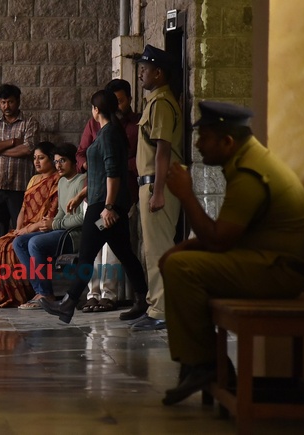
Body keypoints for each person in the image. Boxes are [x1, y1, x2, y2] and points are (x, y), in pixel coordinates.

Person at [159, 101, 304, 405]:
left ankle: (204, 364)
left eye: (204, 138)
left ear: (227, 142)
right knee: (177, 260)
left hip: (282, 271)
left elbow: (219, 240)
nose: (198, 145)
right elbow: (232, 234)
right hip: (266, 261)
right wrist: (187, 245)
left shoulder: (249, 173)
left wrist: (186, 195)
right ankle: (198, 362)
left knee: (181, 268)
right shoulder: (247, 161)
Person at [40, 90, 148, 323]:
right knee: (124, 254)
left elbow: (113, 173)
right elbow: (100, 174)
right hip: (105, 205)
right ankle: (142, 300)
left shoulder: (108, 134)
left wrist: (109, 207)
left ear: (96, 109)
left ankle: (68, 303)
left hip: (103, 208)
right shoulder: (108, 132)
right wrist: (82, 195)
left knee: (87, 254)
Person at [75, 79, 143, 314]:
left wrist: (109, 206)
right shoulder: (100, 127)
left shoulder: (115, 132)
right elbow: (82, 154)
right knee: (111, 251)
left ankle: (94, 297)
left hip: (108, 203)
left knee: (100, 252)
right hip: (98, 199)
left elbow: (115, 170)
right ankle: (93, 295)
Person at [128, 44, 183, 330]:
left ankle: (162, 310)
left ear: (158, 73)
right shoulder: (155, 101)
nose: (141, 74)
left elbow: (163, 150)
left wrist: (158, 191)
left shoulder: (161, 103)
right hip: (150, 183)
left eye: (144, 69)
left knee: (159, 250)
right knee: (150, 250)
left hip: (157, 184)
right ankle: (155, 304)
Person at [0, 141, 59, 309]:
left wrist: (28, 229)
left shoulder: (58, 180)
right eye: (34, 158)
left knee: (13, 247)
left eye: (41, 158)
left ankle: (30, 293)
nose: (36, 162)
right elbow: (23, 208)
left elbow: (51, 214)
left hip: (43, 228)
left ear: (52, 159)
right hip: (26, 228)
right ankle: (6, 294)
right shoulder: (34, 180)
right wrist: (18, 229)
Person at [12, 143, 86, 310]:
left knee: (35, 243)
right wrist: (50, 224)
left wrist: (54, 224)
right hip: (60, 230)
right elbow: (61, 212)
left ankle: (45, 293)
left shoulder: (82, 181)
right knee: (19, 242)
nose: (58, 165)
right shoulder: (62, 182)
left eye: (63, 161)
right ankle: (40, 290)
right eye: (56, 161)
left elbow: (82, 218)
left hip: (74, 235)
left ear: (74, 162)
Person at [0, 84, 39, 240]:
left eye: (10, 102)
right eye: (3, 102)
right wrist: (12, 142)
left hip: (20, 187)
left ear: (18, 101)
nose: (6, 106)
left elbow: (28, 149)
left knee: (21, 232)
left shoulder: (29, 122)